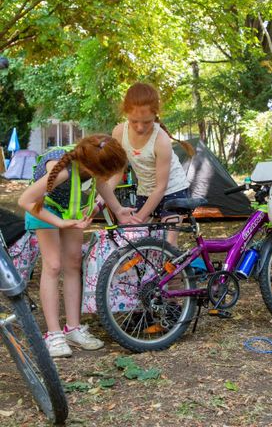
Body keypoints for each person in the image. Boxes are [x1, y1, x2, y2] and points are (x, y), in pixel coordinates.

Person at [18, 134, 141, 357]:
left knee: (73, 263)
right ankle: (54, 334)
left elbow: (101, 183)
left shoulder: (92, 161)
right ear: (90, 166)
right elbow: (25, 200)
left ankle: (73, 328)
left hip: (70, 212)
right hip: (44, 210)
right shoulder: (61, 171)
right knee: (53, 265)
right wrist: (60, 223)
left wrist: (118, 208)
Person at [111, 82, 193, 245]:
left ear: (155, 115)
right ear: (126, 112)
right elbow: (116, 172)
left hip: (173, 190)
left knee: (168, 245)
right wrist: (99, 201)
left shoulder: (161, 140)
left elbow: (161, 187)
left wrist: (139, 218)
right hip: (146, 191)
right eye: (134, 121)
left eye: (147, 122)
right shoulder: (119, 132)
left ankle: (172, 269)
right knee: (140, 243)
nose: (140, 127)